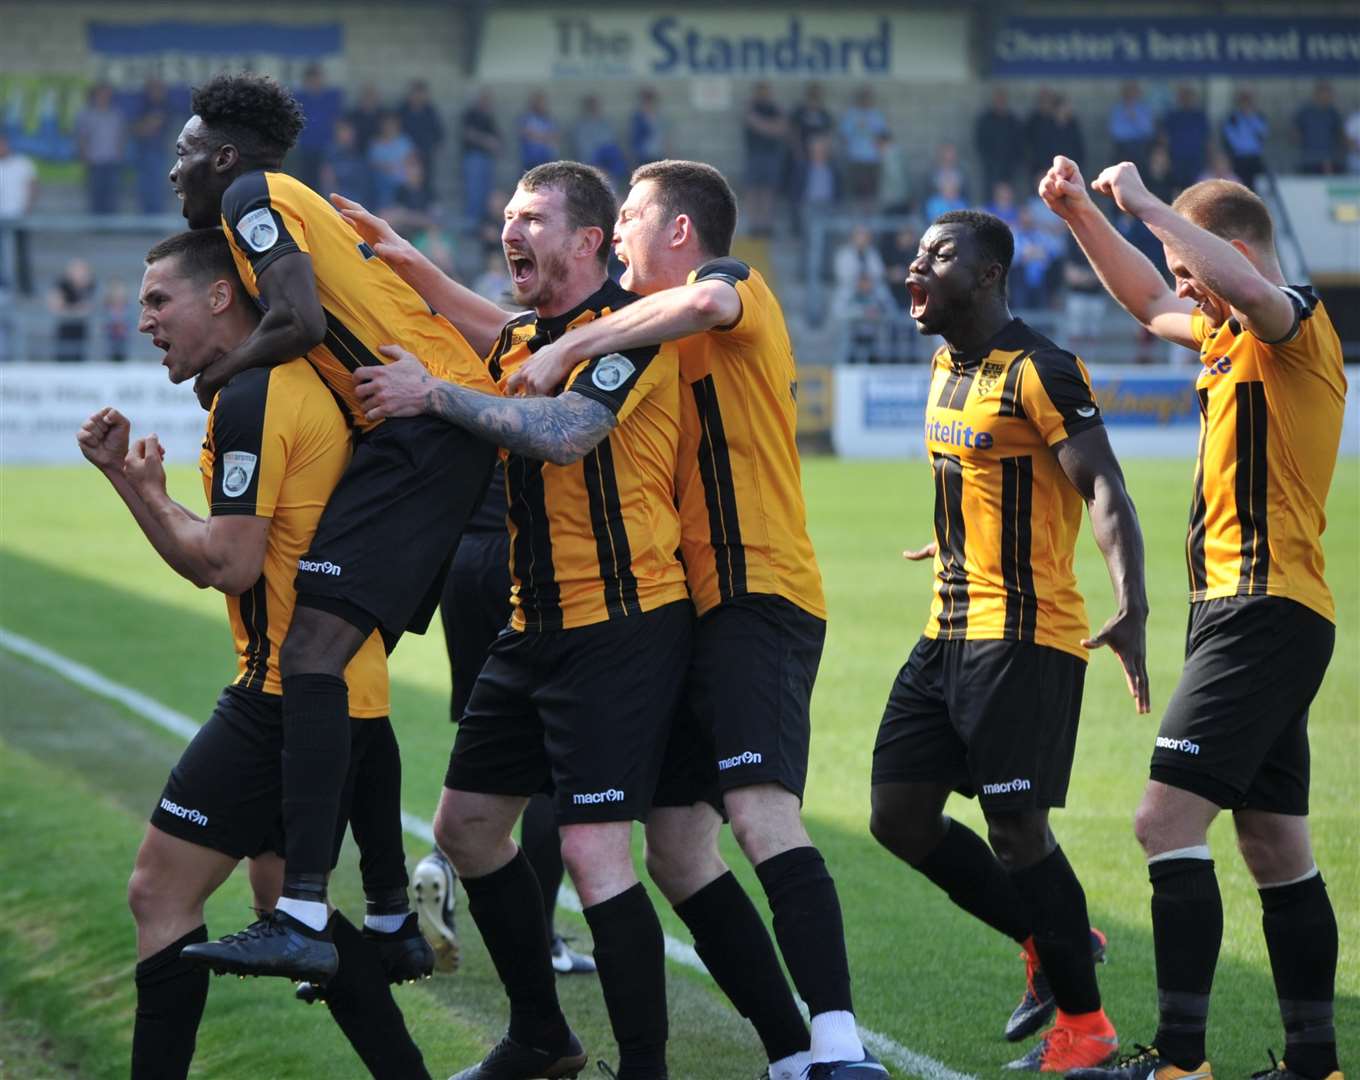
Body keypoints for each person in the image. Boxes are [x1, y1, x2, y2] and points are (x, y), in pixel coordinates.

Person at [502, 159, 885, 1079]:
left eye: (631, 215)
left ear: (680, 232)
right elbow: (516, 333)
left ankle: (839, 1046)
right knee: (676, 850)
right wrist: (410, 268)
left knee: (760, 814)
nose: (620, 231)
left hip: (758, 594)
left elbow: (693, 310)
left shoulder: (732, 288)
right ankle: (791, 1052)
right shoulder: (640, 336)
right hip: (682, 614)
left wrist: (568, 351)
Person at [340, 161, 689, 1080]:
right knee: (465, 830)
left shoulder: (626, 334)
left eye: (531, 217)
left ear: (587, 240)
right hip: (531, 626)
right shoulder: (532, 333)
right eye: (505, 214)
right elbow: (496, 331)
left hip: (620, 626)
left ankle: (644, 1068)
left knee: (592, 849)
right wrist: (408, 261)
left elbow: (569, 432)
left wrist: (436, 396)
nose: (510, 229)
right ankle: (542, 1038)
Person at [77, 228, 432, 1080]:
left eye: (158, 301)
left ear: (221, 296)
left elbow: (226, 563)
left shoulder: (255, 396)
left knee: (160, 893)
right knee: (284, 902)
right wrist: (138, 486)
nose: (145, 322)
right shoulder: (284, 384)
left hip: (283, 696)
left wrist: (135, 488)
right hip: (342, 692)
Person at [167, 72, 499, 980]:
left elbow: (300, 316)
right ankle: (389, 918)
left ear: (226, 157)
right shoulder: (285, 197)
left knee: (311, 656)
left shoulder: (251, 197)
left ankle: (305, 913)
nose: (174, 172)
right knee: (341, 666)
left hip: (421, 431)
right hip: (423, 431)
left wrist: (222, 371)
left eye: (186, 153)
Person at [1041, 156, 1346, 1080]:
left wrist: (1142, 202)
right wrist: (1082, 219)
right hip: (1238, 614)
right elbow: (1145, 302)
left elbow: (1243, 284)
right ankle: (1314, 1064)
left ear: (1230, 250)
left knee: (1162, 822)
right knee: (1274, 844)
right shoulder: (1224, 340)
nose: (1185, 292)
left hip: (1266, 608)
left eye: (1191, 269)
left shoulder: (1291, 320)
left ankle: (1180, 1063)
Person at [869, 209, 1147, 1069]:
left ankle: (1086, 1030)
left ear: (989, 274)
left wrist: (1132, 605)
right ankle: (1048, 937)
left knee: (1017, 831)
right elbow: (977, 474)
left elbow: (1101, 485)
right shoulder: (945, 365)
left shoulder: (1043, 368)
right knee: (898, 815)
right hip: (945, 625)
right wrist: (950, 538)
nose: (917, 264)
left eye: (939, 254)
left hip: (1023, 635)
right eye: (916, 250)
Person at [412, 458, 598, 978]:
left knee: (490, 741)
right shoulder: (548, 374)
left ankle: (442, 859)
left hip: (462, 563)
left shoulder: (470, 374)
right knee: (548, 755)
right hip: (525, 560)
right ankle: (541, 936)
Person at [743, 82, 786, 238]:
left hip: (771, 154)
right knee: (753, 190)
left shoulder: (774, 108)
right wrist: (770, 127)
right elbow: (755, 123)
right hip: (754, 154)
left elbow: (781, 128)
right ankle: (754, 224)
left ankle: (766, 225)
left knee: (768, 190)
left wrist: (764, 126)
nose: (764, 94)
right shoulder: (751, 107)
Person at [75, 83, 125, 215]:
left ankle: (111, 225)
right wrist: (84, 155)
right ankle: (97, 227)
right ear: (94, 96)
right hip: (95, 161)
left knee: (112, 195)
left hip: (112, 160)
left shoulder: (116, 114)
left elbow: (120, 135)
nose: (104, 97)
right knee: (96, 194)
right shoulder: (86, 115)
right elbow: (82, 137)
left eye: (107, 94)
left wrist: (120, 153)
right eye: (101, 94)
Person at [293, 64, 342, 193]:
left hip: (326, 146)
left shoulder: (331, 97)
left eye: (318, 78)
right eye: (312, 80)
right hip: (306, 147)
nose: (315, 82)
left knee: (326, 182)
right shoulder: (300, 98)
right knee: (307, 182)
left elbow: (337, 121)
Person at [0, 133, 38, 296]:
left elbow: (32, 185)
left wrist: (28, 207)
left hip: (19, 214)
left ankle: (26, 286)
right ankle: (3, 286)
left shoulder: (22, 163)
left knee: (22, 252)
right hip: (1, 216)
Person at [839, 87, 888, 211]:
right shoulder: (851, 114)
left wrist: (880, 149)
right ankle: (856, 216)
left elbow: (884, 136)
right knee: (856, 191)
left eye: (868, 99)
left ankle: (870, 215)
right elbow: (843, 136)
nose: (866, 101)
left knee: (871, 192)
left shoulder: (876, 115)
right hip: (856, 158)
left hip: (872, 159)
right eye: (864, 98)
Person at [460, 89, 502, 229]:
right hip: (473, 158)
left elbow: (497, 137)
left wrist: (495, 143)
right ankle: (472, 222)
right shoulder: (470, 115)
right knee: (474, 191)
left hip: (488, 158)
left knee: (487, 192)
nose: (486, 104)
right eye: (484, 100)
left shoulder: (489, 118)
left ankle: (484, 223)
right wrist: (486, 141)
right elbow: (468, 134)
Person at [131, 78, 174, 213]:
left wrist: (148, 126)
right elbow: (135, 129)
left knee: (158, 187)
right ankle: (145, 218)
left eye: (159, 89)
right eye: (153, 89)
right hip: (143, 152)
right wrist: (146, 126)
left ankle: (157, 217)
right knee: (144, 187)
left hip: (160, 152)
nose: (156, 93)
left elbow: (169, 130)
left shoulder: (167, 108)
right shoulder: (142, 107)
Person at [976, 87, 1026, 195]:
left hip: (1009, 168)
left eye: (1002, 100)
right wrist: (988, 160)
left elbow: (1019, 143)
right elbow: (980, 142)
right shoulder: (986, 120)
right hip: (991, 167)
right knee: (990, 194)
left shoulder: (1013, 121)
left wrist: (1015, 162)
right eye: (998, 100)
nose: (1000, 103)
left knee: (1008, 196)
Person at [400, 80, 445, 199]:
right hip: (405, 154)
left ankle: (427, 205)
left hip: (426, 153)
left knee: (426, 180)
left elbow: (439, 133)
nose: (418, 97)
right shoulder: (403, 110)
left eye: (421, 94)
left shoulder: (430, 111)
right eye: (416, 93)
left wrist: (432, 146)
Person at [1161, 86, 1210, 192]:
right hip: (1176, 158)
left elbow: (1207, 139)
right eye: (1184, 96)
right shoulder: (1172, 116)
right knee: (1177, 188)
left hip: (1196, 158)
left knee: (1195, 189)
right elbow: (1164, 137)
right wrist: (1165, 156)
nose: (1187, 99)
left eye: (1189, 97)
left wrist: (1208, 157)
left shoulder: (1200, 116)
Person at [48, 257, 96, 362]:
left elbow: (89, 307)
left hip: (80, 329)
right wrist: (76, 310)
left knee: (79, 358)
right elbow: (55, 306)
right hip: (64, 328)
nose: (81, 275)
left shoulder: (89, 286)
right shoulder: (62, 284)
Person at [1294, 81, 1344, 176]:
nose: (1327, 97)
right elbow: (1295, 132)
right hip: (1308, 159)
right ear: (1316, 94)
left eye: (1329, 94)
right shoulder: (1305, 112)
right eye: (1324, 94)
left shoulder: (1333, 113)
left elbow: (1339, 135)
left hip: (1329, 160)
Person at [1222, 90, 1268, 191]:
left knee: (1256, 187)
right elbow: (1231, 139)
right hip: (1239, 158)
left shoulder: (1259, 116)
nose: (1246, 104)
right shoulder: (1232, 118)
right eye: (1244, 101)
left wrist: (1251, 117)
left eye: (1248, 101)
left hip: (1255, 157)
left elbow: (1263, 133)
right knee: (1240, 187)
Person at [1108, 83, 1155, 172]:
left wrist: (1136, 118)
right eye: (1128, 93)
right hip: (1122, 146)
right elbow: (1115, 131)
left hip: (1140, 145)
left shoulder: (1144, 109)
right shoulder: (1117, 109)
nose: (1130, 96)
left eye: (1133, 93)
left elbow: (1148, 130)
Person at [519, 90, 560, 171]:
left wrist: (538, 136)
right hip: (531, 159)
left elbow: (556, 135)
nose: (541, 105)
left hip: (547, 158)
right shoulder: (526, 118)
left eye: (542, 102)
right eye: (538, 102)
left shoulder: (549, 119)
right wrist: (544, 137)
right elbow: (525, 133)